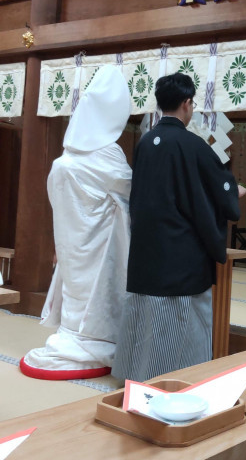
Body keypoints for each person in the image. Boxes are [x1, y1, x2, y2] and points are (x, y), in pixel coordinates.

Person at [112, 72, 245, 382]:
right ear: (186, 103)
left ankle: (138, 373)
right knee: (181, 321)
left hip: (147, 247)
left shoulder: (146, 143)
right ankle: (178, 378)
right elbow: (217, 188)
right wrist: (232, 192)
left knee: (146, 314)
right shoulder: (192, 144)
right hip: (181, 252)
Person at [20, 65, 132, 380]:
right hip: (99, 244)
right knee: (98, 293)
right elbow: (130, 188)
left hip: (71, 240)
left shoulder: (65, 158)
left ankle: (72, 335)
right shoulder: (108, 156)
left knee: (76, 289)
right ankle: (93, 343)